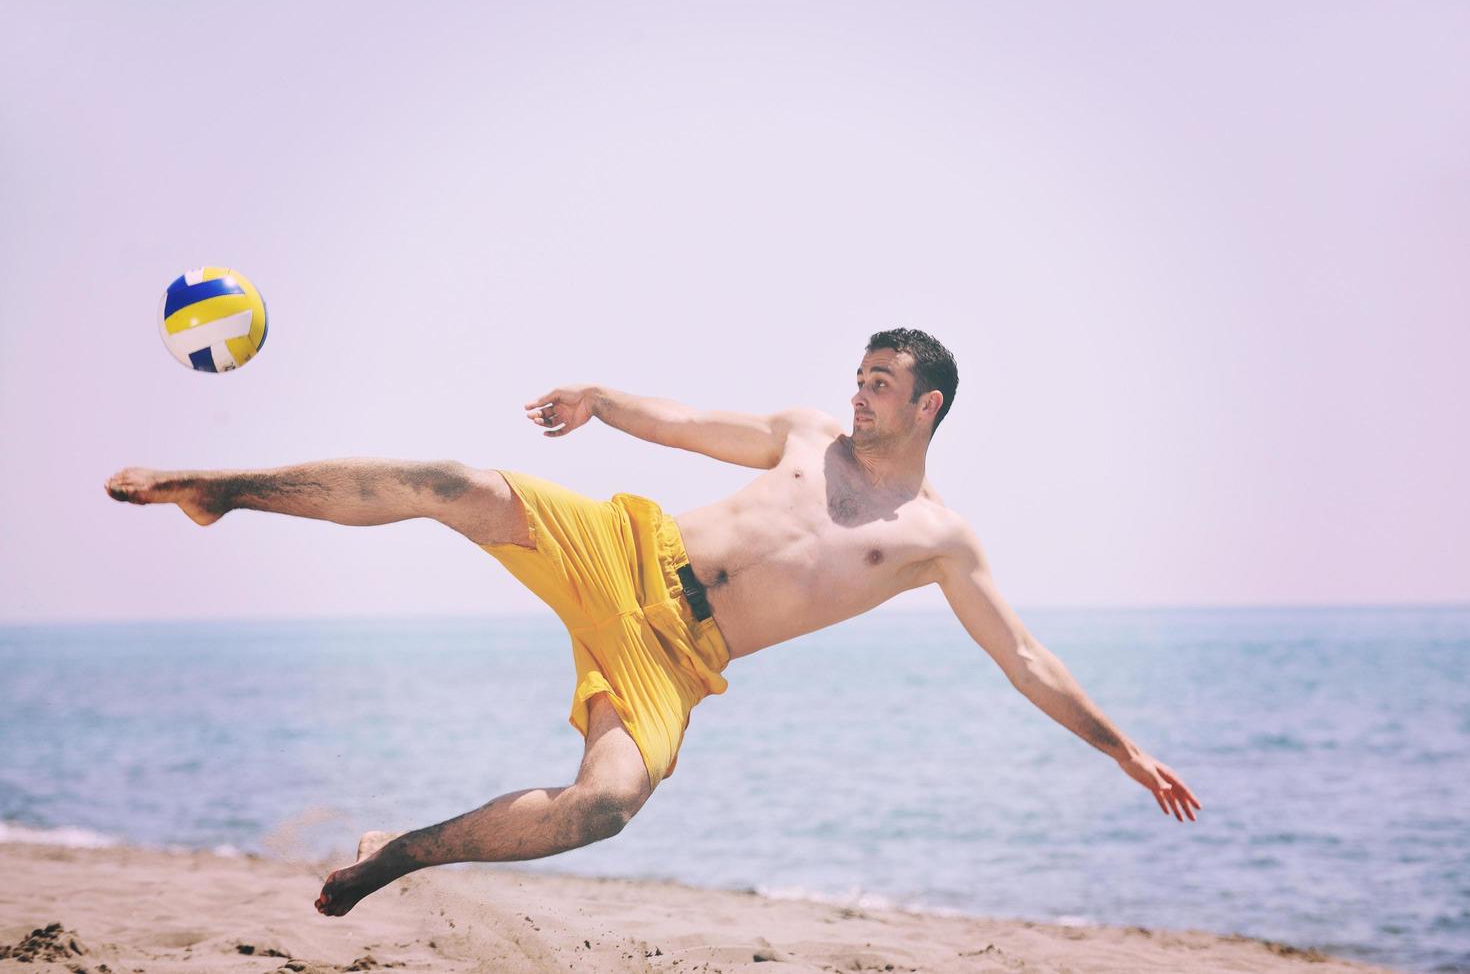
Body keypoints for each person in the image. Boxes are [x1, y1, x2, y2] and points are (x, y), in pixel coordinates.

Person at [105, 328, 1201, 917]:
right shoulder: (806, 432)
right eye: (859, 376)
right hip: (625, 547)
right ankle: (222, 483)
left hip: (678, 658)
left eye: (882, 383)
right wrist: (602, 398)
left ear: (930, 407)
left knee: (607, 804)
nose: (859, 393)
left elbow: (1021, 653)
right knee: (452, 482)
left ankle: (395, 854)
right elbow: (687, 424)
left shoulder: (937, 537)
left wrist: (1124, 747)